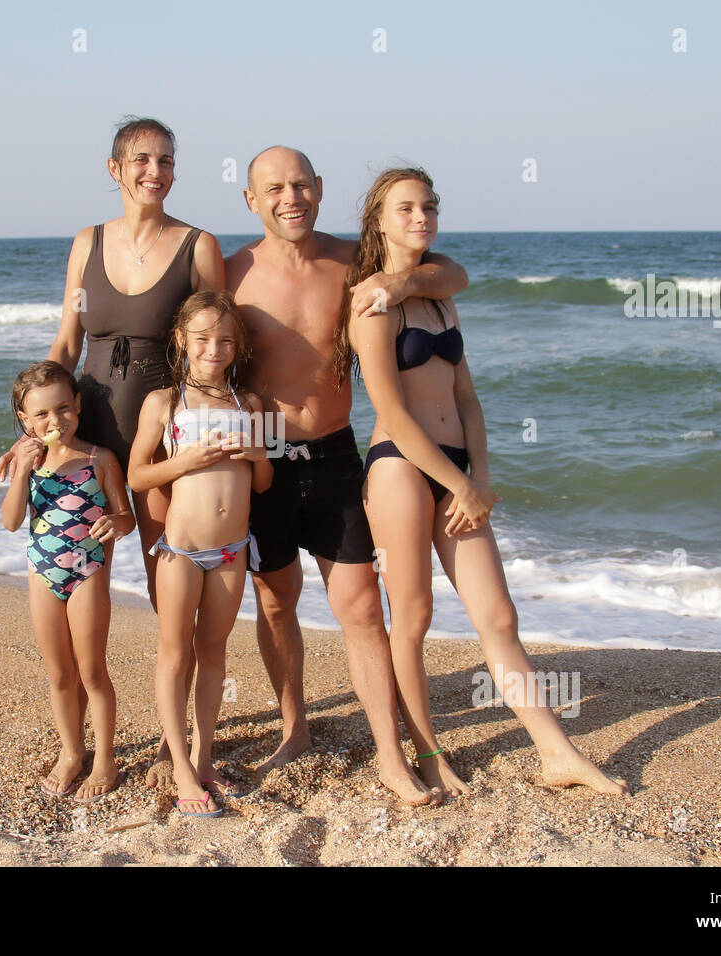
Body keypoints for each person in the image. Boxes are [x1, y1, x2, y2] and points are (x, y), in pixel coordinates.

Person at [343, 167, 629, 796]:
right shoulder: (372, 302)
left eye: (429, 207)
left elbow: (467, 397)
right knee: (412, 616)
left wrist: (482, 476)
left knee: (498, 614)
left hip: (457, 470)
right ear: (379, 221)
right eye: (406, 209)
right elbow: (390, 412)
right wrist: (457, 481)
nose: (421, 218)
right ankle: (427, 752)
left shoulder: (439, 295)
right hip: (399, 466)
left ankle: (558, 754)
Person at [226, 146, 469, 805]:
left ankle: (390, 753)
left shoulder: (350, 261)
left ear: (321, 189)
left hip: (334, 454)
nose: (290, 197)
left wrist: (403, 283)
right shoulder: (232, 272)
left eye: (301, 184)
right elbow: (194, 354)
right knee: (276, 600)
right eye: (273, 188)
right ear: (252, 200)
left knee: (361, 605)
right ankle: (294, 726)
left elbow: (452, 273)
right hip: (264, 461)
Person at [0, 117, 224, 612]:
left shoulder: (198, 246)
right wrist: (29, 429)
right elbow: (66, 344)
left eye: (166, 160)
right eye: (142, 159)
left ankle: (177, 684)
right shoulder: (87, 243)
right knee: (83, 568)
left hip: (161, 433)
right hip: (89, 426)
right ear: (114, 168)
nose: (154, 170)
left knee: (167, 569)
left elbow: (216, 346)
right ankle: (87, 687)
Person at [128, 291, 273, 817]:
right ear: (182, 341)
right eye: (204, 338)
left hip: (233, 551)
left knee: (214, 652)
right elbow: (137, 474)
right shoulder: (164, 403)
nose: (215, 348)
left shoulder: (249, 405)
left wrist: (258, 455)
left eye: (226, 340)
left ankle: (204, 757)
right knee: (175, 652)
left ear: (238, 346)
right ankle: (181, 770)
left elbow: (263, 482)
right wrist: (184, 461)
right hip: (181, 551)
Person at [1, 361, 136, 802]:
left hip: (87, 573)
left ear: (77, 405)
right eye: (40, 414)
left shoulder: (100, 459)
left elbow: (127, 517)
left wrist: (115, 522)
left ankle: (105, 760)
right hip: (41, 572)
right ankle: (72, 751)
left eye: (62, 409)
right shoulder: (31, 461)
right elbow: (11, 520)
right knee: (60, 673)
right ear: (25, 419)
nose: (53, 421)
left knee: (92, 671)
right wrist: (22, 470)